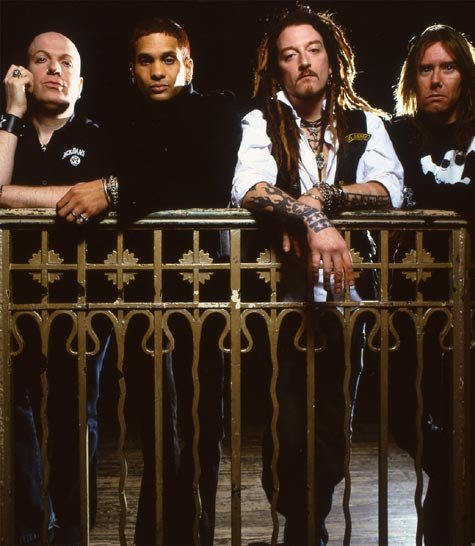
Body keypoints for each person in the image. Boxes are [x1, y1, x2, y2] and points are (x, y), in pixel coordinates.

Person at [57, 16, 240, 545]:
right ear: (132, 70)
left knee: (200, 428)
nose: (157, 71)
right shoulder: (119, 123)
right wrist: (117, 186)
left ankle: (193, 537)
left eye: (168, 59)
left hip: (200, 292)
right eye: (145, 60)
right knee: (156, 426)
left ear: (188, 64)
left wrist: (115, 189)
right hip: (141, 294)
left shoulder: (216, 111)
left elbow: (203, 177)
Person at [231, 5, 403, 545]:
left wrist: (320, 197)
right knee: (283, 422)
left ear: (332, 59)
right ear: (277, 68)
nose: (304, 62)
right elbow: (250, 188)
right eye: (290, 54)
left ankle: (312, 525)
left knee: (331, 422)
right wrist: (312, 221)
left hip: (347, 299)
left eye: (313, 50)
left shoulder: (366, 124)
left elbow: (388, 190)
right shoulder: (261, 121)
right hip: (280, 300)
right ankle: (296, 523)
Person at [386, 24, 475, 545]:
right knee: (405, 415)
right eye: (425, 69)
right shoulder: (399, 135)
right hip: (417, 304)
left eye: (447, 68)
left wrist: (442, 204)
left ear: (466, 74)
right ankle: (454, 493)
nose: (435, 80)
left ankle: (456, 520)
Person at [0, 31, 112, 544]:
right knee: (14, 409)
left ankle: (71, 526)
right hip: (12, 297)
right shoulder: (10, 131)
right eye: (41, 61)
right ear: (23, 76)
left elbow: (92, 194)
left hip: (81, 294)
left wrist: (9, 195)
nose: (53, 69)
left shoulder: (99, 135)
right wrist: (12, 112)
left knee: (75, 410)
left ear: (80, 82)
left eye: (65, 62)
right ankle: (27, 526)